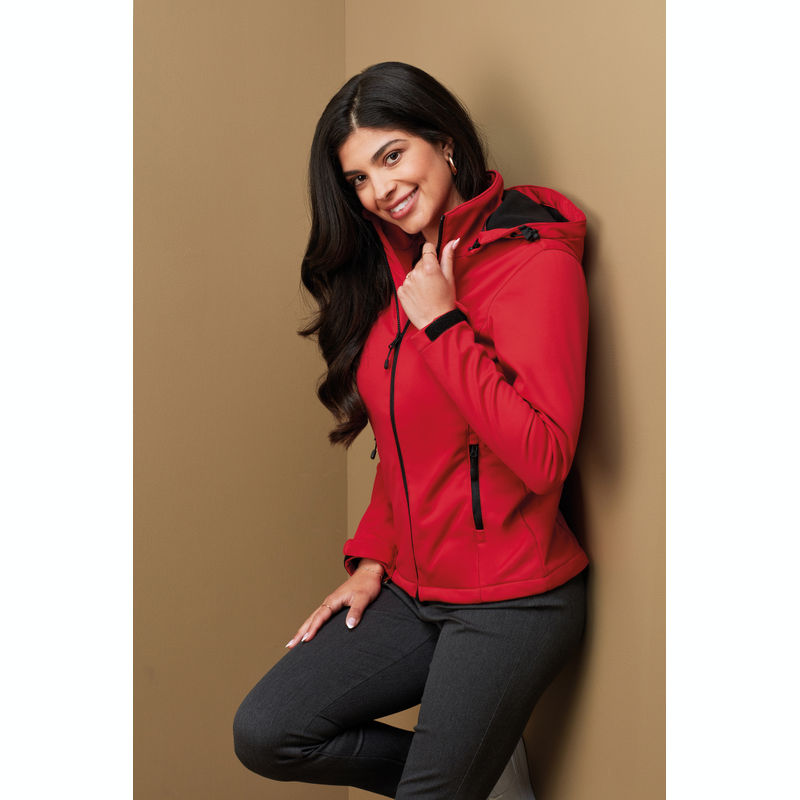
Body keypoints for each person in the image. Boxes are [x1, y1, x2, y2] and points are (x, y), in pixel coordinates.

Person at [233, 62, 589, 800]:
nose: (380, 189)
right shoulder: (400, 275)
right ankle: (477, 778)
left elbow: (544, 455)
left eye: (392, 155)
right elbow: (404, 445)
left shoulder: (535, 265)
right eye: (359, 178)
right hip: (414, 590)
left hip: (512, 600)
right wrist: (373, 557)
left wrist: (444, 324)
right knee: (267, 731)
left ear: (446, 142)